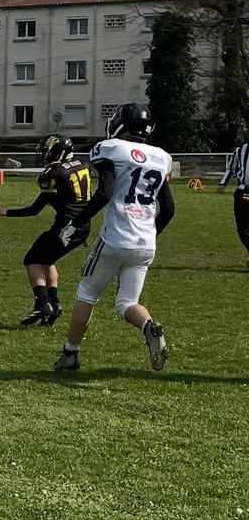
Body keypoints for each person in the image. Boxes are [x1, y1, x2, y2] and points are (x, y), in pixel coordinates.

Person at [52, 103, 175, 372]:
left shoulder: (111, 148)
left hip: (115, 238)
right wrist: (149, 233)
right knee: (127, 303)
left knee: (87, 294)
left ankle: (70, 354)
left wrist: (75, 224)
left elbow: (104, 194)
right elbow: (168, 209)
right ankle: (148, 326)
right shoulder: (162, 157)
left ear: (121, 124)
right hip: (145, 243)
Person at [0, 134, 92, 326]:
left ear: (58, 152)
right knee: (47, 260)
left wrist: (5, 212)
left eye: (49, 151)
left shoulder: (55, 173)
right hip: (82, 225)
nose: (46, 155)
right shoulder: (80, 165)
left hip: (66, 227)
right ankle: (54, 304)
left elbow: (34, 210)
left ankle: (42, 305)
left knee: (32, 259)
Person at [218, 139, 249, 263]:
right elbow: (231, 168)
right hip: (243, 191)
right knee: (242, 228)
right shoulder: (240, 150)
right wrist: (223, 183)